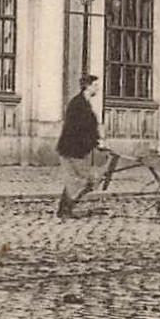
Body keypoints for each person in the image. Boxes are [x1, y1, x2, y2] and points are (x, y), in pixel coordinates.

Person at [55, 74, 106, 219]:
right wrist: (96, 143)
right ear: (87, 86)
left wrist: (96, 141)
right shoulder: (78, 104)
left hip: (77, 149)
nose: (98, 88)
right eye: (95, 85)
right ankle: (66, 209)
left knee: (77, 179)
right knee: (85, 180)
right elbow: (79, 129)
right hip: (72, 149)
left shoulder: (84, 102)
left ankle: (65, 209)